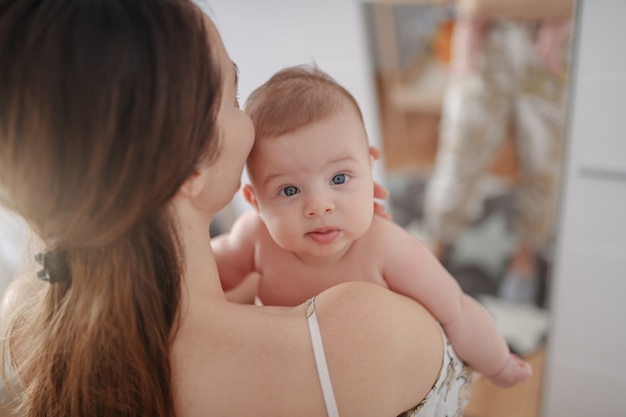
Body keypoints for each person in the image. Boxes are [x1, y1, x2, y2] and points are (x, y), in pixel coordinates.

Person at [0, 1, 477, 416]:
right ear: (187, 166)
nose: (247, 121)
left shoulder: (22, 329)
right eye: (232, 99)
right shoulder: (363, 334)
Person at [211, 64, 532, 389]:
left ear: (370, 166)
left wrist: (499, 364)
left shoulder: (388, 248)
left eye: (339, 178)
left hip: (382, 383)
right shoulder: (253, 238)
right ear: (256, 202)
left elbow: (457, 311)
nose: (320, 205)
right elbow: (204, 270)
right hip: (295, 383)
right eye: (290, 190)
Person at [423, 0, 573, 304]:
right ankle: (439, 237)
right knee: (459, 152)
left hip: (551, 56)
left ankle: (526, 253)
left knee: (543, 162)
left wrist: (495, 7)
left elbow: (567, 6)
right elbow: (469, 7)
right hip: (486, 50)